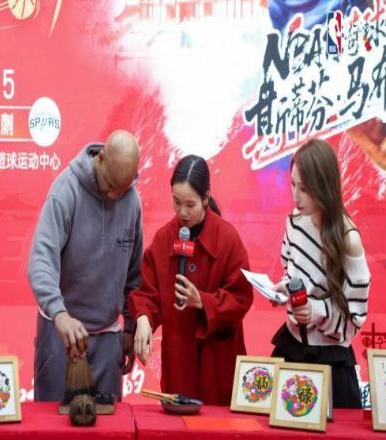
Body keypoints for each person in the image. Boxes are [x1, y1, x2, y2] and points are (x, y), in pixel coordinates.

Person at [28, 129, 142, 401]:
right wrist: (59, 314)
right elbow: (41, 262)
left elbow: (134, 275)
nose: (114, 195)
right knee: (53, 420)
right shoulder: (65, 191)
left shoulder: (132, 201)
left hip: (108, 339)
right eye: (110, 184)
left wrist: (129, 328)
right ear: (100, 158)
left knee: (110, 422)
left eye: (122, 189)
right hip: (62, 335)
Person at [130, 155, 253, 405]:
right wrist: (143, 318)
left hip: (218, 366)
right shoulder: (164, 238)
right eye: (176, 202)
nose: (182, 212)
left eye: (190, 204)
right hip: (179, 364)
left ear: (206, 198)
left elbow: (241, 297)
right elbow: (146, 291)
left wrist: (203, 302)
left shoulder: (228, 239)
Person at [271, 139, 371, 408]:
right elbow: (291, 271)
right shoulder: (295, 221)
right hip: (292, 347)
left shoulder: (348, 239)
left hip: (331, 361)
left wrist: (315, 310)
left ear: (324, 186)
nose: (295, 196)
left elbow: (355, 316)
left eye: (304, 188)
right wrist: (282, 290)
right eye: (292, 185)